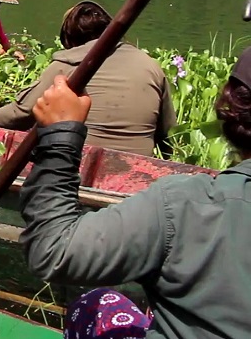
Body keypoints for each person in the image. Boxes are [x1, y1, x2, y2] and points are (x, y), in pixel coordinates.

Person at [21, 51, 251, 339]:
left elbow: (54, 250)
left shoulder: (186, 204)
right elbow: (167, 130)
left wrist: (60, 137)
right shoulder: (152, 68)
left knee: (95, 304)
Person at [0, 1, 175, 156]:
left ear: (70, 38)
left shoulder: (67, 63)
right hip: (139, 170)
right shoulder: (151, 65)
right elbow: (167, 135)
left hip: (76, 164)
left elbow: (20, 115)